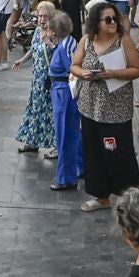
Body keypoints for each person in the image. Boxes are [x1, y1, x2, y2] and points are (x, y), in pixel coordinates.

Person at [74, 0, 139, 211]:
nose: (113, 22)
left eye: (115, 18)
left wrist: (113, 73)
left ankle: (130, 198)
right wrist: (84, 73)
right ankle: (101, 196)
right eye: (108, 20)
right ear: (96, 22)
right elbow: (74, 65)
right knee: (93, 152)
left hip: (116, 109)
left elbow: (138, 69)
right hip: (90, 106)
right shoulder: (87, 40)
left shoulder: (123, 41)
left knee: (120, 153)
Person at [13, 2, 58, 157]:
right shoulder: (38, 30)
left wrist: (49, 43)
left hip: (49, 80)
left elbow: (60, 54)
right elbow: (33, 49)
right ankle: (32, 140)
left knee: (51, 112)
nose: (42, 19)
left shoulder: (56, 33)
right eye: (40, 16)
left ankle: (57, 145)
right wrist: (22, 60)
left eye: (46, 16)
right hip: (37, 79)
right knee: (35, 109)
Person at [50, 12, 83, 190]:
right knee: (70, 133)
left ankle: (66, 177)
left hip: (64, 93)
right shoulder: (66, 43)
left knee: (64, 135)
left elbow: (73, 69)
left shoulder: (66, 45)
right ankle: (79, 167)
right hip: (62, 91)